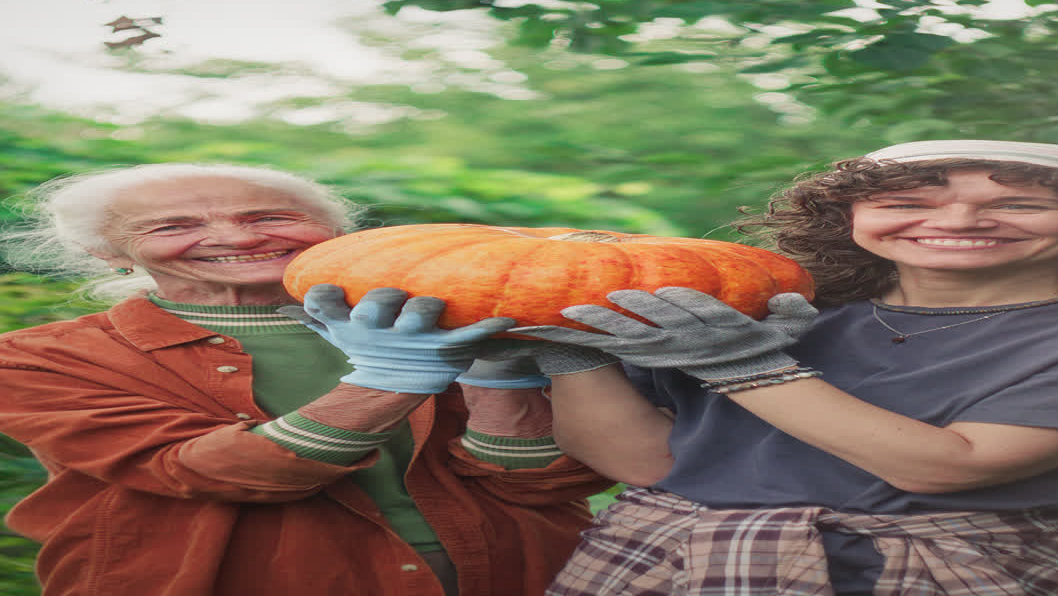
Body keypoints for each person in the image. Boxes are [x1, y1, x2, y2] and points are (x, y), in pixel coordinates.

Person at [507, 140, 1058, 596]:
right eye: (906, 200)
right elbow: (639, 459)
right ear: (849, 220)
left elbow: (949, 467)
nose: (958, 221)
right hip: (666, 561)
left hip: (947, 571)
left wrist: (746, 371)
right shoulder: (764, 313)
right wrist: (566, 352)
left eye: (1024, 204)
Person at [0, 163, 611, 596]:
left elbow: (553, 484)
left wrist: (500, 380)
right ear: (108, 252)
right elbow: (200, 471)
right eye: (171, 226)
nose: (238, 237)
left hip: (513, 574)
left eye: (272, 216)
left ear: (336, 234)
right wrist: (390, 380)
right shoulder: (41, 358)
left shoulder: (462, 317)